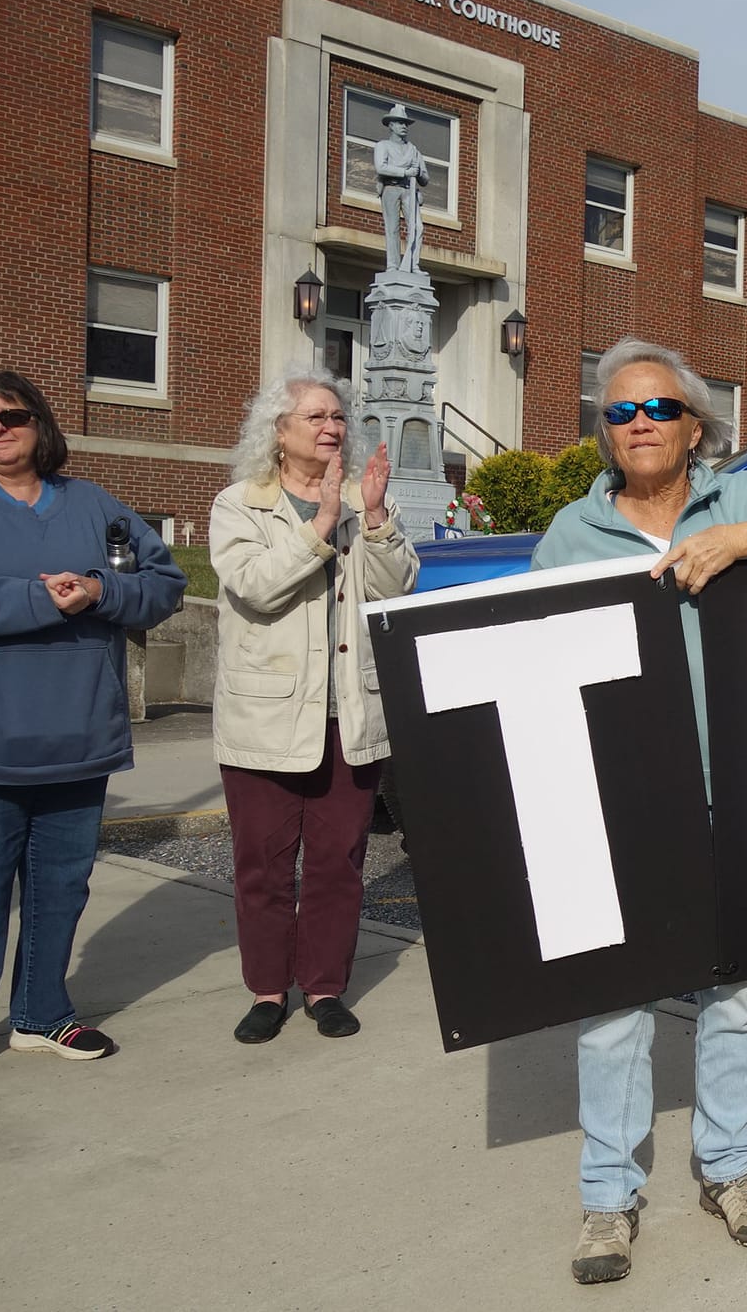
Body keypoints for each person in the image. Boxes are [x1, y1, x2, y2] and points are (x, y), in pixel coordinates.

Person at [531, 338, 747, 1286]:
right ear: (606, 435)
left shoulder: (742, 498)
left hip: (738, 789)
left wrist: (742, 541)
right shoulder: (569, 532)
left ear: (695, 428)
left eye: (659, 408)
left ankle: (731, 1169)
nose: (639, 422)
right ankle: (609, 1194)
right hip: (625, 802)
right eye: (619, 411)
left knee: (734, 994)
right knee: (613, 1005)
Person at [0, 371, 185, 1090]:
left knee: (61, 888)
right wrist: (40, 600)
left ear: (40, 421)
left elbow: (165, 584)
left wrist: (99, 590)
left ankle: (41, 1013)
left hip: (81, 737)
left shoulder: (94, 503)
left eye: (10, 414)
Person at [211, 370, 418, 1044]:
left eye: (338, 416)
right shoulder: (239, 505)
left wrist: (375, 519)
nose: (332, 427)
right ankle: (267, 990)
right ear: (278, 430)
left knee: (338, 862)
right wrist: (323, 523)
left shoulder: (366, 499)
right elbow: (254, 586)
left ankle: (325, 986)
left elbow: (396, 588)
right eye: (316, 417)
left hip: (348, 715)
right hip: (265, 718)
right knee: (263, 865)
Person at [373, 104, 429, 272]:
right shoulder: (383, 145)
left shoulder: (413, 150)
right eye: (400, 123)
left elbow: (425, 179)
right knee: (392, 228)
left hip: (409, 190)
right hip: (391, 188)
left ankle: (413, 264)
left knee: (417, 227)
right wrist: (405, 172)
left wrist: (418, 173)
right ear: (391, 125)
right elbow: (381, 167)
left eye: (406, 123)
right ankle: (393, 265)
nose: (404, 126)